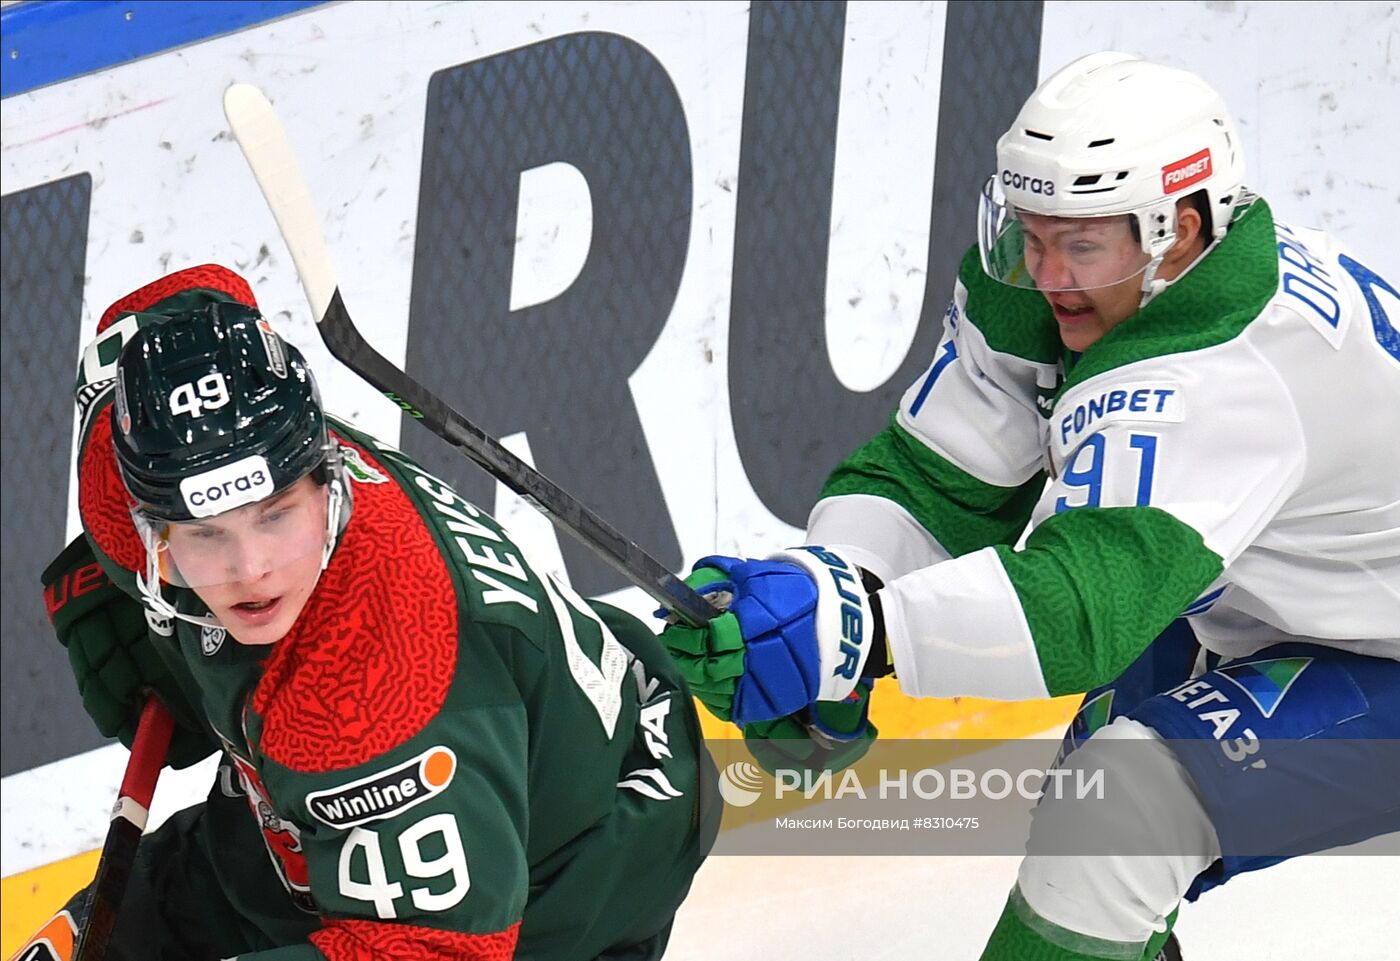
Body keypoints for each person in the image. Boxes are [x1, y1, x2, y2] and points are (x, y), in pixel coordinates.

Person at [660, 51, 1400, 961]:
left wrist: (859, 634)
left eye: (1082, 244)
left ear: (1180, 231)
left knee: (1122, 812)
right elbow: (938, 476)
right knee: (1094, 815)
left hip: (1375, 646)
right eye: (1031, 231)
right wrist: (834, 587)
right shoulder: (1102, 286)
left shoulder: (1232, 376)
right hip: (1281, 592)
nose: (1047, 273)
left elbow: (1079, 610)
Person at [19, 264, 719, 961]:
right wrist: (136, 594)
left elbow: (436, 949)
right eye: (206, 534)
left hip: (558, 881)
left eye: (276, 516)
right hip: (297, 832)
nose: (251, 569)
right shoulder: (134, 468)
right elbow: (182, 309)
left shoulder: (376, 681)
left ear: (328, 474)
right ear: (148, 523)